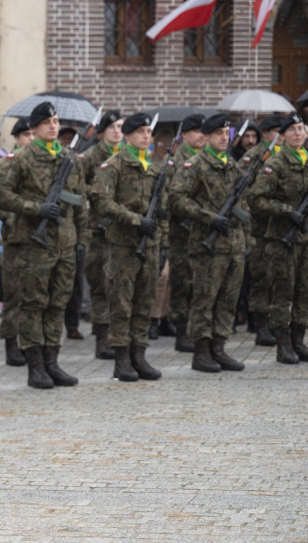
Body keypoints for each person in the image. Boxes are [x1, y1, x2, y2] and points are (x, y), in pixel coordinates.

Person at [0, 101, 86, 389]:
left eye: (56, 121)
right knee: (34, 305)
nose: (53, 125)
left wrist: (81, 239)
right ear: (33, 128)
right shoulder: (21, 159)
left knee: (58, 304)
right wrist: (35, 208)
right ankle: (35, 365)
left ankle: (52, 362)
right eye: (47, 121)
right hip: (34, 245)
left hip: (65, 243)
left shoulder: (69, 159)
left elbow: (80, 201)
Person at [249, 112, 308, 364]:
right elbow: (256, 198)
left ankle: (298, 341)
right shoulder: (276, 164)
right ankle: (283, 345)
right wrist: (287, 212)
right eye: (291, 129)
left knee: (305, 293)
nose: (297, 133)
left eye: (301, 128)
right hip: (283, 239)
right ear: (282, 136)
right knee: (283, 292)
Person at [168, 113, 249, 373]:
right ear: (206, 137)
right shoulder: (195, 165)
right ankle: (201, 352)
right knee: (204, 299)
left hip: (234, 244)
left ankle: (219, 348)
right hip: (207, 246)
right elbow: (176, 199)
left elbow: (244, 203)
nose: (224, 139)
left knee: (228, 300)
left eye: (227, 135)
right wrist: (209, 217)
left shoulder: (233, 166)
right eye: (219, 135)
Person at [91, 111, 165, 382]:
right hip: (124, 245)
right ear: (129, 135)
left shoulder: (154, 166)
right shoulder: (114, 165)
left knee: (145, 301)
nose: (147, 136)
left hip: (150, 245)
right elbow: (101, 201)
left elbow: (162, 208)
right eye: (142, 131)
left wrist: (160, 235)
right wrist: (135, 220)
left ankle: (139, 355)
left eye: (149, 132)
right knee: (122, 303)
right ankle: (121, 359)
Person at [79, 110, 122, 361]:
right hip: (97, 229)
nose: (117, 131)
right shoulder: (91, 157)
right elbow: (75, 186)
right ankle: (102, 339)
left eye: (120, 126)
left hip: (122, 229)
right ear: (102, 131)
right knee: (101, 286)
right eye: (112, 127)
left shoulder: (127, 156)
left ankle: (117, 336)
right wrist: (97, 193)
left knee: (119, 286)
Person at [0, 117, 34, 366]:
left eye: (33, 134)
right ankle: (11, 344)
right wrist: (17, 217)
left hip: (38, 241)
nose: (30, 139)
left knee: (34, 296)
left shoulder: (40, 164)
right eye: (26, 135)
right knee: (14, 295)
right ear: (17, 138)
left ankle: (30, 343)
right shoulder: (5, 165)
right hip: (15, 240)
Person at [165, 113, 207, 354]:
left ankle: (195, 330)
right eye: (196, 130)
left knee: (199, 283)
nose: (201, 134)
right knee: (182, 283)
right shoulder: (175, 161)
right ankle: (182, 332)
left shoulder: (204, 159)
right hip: (181, 233)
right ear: (184, 135)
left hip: (201, 231)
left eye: (204, 130)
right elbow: (167, 198)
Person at [241, 115, 283, 346]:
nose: (280, 134)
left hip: (278, 227)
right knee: (261, 277)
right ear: (265, 133)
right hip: (258, 228)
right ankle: (260, 326)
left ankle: (273, 323)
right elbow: (240, 187)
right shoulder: (253, 156)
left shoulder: (281, 155)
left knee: (276, 277)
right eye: (275, 130)